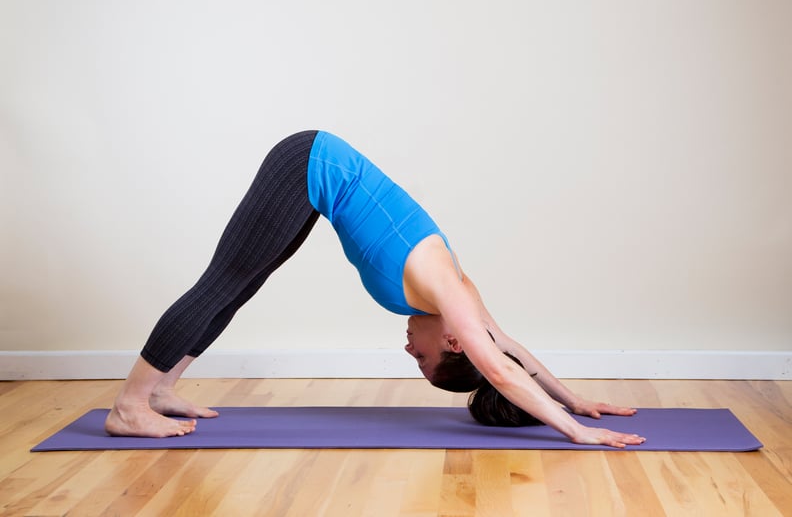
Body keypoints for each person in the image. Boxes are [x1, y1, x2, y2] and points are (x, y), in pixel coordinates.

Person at [106, 130, 645, 448]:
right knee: (223, 280)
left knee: (241, 284)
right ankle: (129, 406)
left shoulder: (465, 301)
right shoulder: (451, 297)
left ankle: (159, 388)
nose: (409, 349)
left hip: (316, 179)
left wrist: (571, 398)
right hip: (308, 164)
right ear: (454, 343)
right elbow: (501, 370)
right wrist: (576, 431)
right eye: (422, 358)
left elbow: (511, 352)